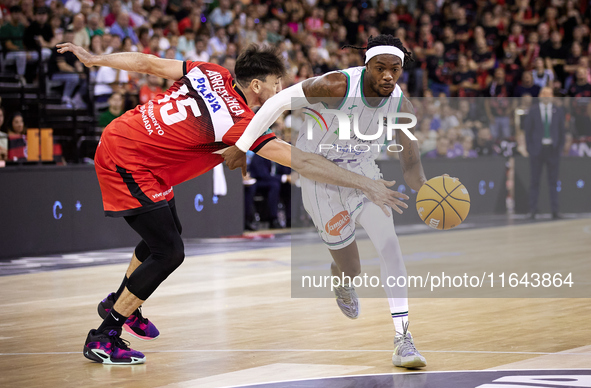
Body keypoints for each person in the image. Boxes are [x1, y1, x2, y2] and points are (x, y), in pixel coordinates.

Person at [57, 42, 406, 365]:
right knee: (169, 251)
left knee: (164, 235)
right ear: (256, 86)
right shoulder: (240, 122)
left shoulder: (209, 71)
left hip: (127, 137)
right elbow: (302, 161)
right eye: (276, 83)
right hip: (128, 161)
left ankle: (120, 303)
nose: (279, 91)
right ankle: (105, 333)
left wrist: (96, 59)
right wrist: (364, 183)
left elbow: (146, 63)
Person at [225, 34, 438, 369]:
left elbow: (411, 166)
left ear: (401, 69)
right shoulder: (337, 85)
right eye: (380, 68)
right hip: (319, 178)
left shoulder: (401, 104)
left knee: (390, 246)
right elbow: (277, 102)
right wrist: (243, 144)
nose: (387, 75)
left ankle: (403, 339)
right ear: (367, 65)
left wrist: (429, 192)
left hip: (366, 175)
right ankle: (342, 279)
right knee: (351, 267)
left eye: (394, 69)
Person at [523, 86, 566, 220]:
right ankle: (532, 210)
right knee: (534, 181)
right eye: (544, 93)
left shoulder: (558, 111)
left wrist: (559, 148)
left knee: (553, 182)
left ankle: (555, 211)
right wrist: (530, 148)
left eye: (549, 93)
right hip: (537, 150)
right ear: (540, 96)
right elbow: (528, 131)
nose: (546, 96)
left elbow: (562, 131)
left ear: (552, 96)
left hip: (552, 150)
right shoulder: (533, 111)